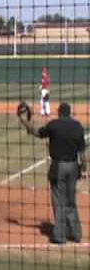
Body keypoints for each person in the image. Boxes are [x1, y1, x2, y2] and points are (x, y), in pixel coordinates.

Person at [17, 102, 86, 244]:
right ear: (70, 112)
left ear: (60, 112)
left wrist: (23, 120)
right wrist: (84, 170)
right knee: (71, 201)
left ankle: (60, 236)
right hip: (73, 167)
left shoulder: (54, 125)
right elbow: (82, 153)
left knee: (58, 201)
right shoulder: (78, 126)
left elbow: (36, 132)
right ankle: (76, 234)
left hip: (58, 167)